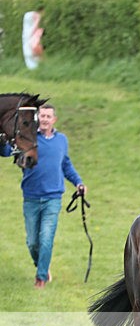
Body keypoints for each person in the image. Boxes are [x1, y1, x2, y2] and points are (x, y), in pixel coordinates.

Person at [1, 103, 87, 288]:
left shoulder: (61, 140)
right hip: (31, 198)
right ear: (37, 118)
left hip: (53, 198)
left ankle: (41, 278)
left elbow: (66, 164)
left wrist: (78, 182)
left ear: (54, 119)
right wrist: (1, 141)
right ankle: (43, 266)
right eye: (42, 116)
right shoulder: (28, 138)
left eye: (48, 116)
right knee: (32, 242)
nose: (45, 119)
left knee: (46, 238)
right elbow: (7, 151)